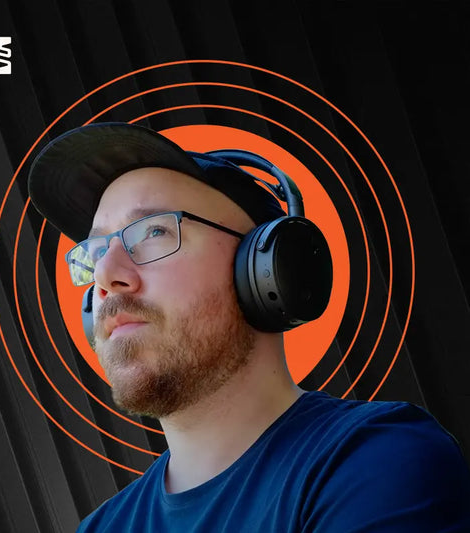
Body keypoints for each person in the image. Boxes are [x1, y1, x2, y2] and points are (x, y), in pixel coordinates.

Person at [28, 122, 470, 532]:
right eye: (95, 251)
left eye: (154, 232)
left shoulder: (374, 460)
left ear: (264, 272)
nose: (106, 275)